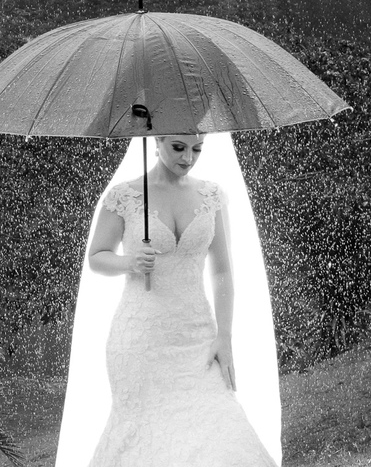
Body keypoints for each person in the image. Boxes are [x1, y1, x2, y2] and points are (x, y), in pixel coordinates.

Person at [55, 132, 282, 466]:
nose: (187, 158)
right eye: (178, 147)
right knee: (147, 439)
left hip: (197, 337)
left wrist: (225, 336)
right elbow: (97, 256)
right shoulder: (125, 196)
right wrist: (128, 263)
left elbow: (222, 271)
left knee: (221, 429)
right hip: (141, 340)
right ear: (157, 140)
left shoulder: (212, 196)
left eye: (197, 149)